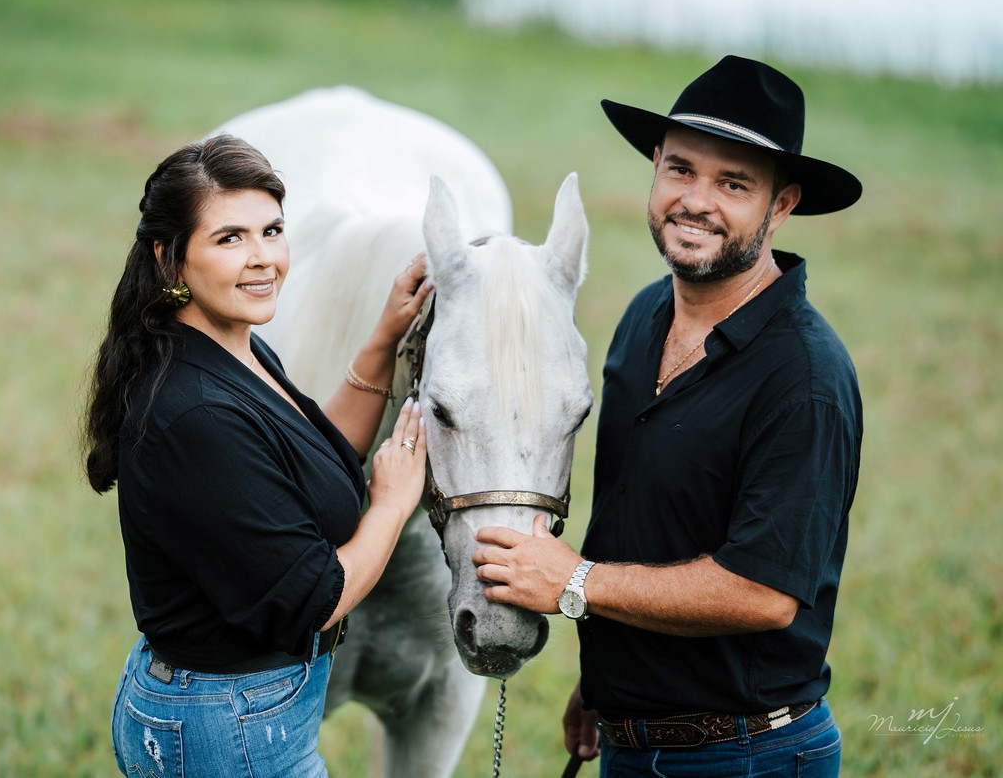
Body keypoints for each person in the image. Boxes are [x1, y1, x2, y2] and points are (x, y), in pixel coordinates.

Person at [472, 55, 864, 776]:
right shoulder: (645, 315)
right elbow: (644, 522)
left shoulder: (804, 378)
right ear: (654, 168)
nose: (696, 201)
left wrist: (575, 582)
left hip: (748, 756)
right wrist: (609, 685)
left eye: (734, 184)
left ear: (781, 205)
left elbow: (764, 592)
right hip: (631, 739)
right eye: (681, 169)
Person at [82, 134, 433, 777]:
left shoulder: (230, 345)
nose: (263, 258)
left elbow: (309, 460)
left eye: (271, 231)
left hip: (236, 714)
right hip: (228, 727)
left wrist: (384, 338)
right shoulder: (197, 414)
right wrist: (391, 504)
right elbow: (316, 599)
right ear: (169, 258)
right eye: (230, 238)